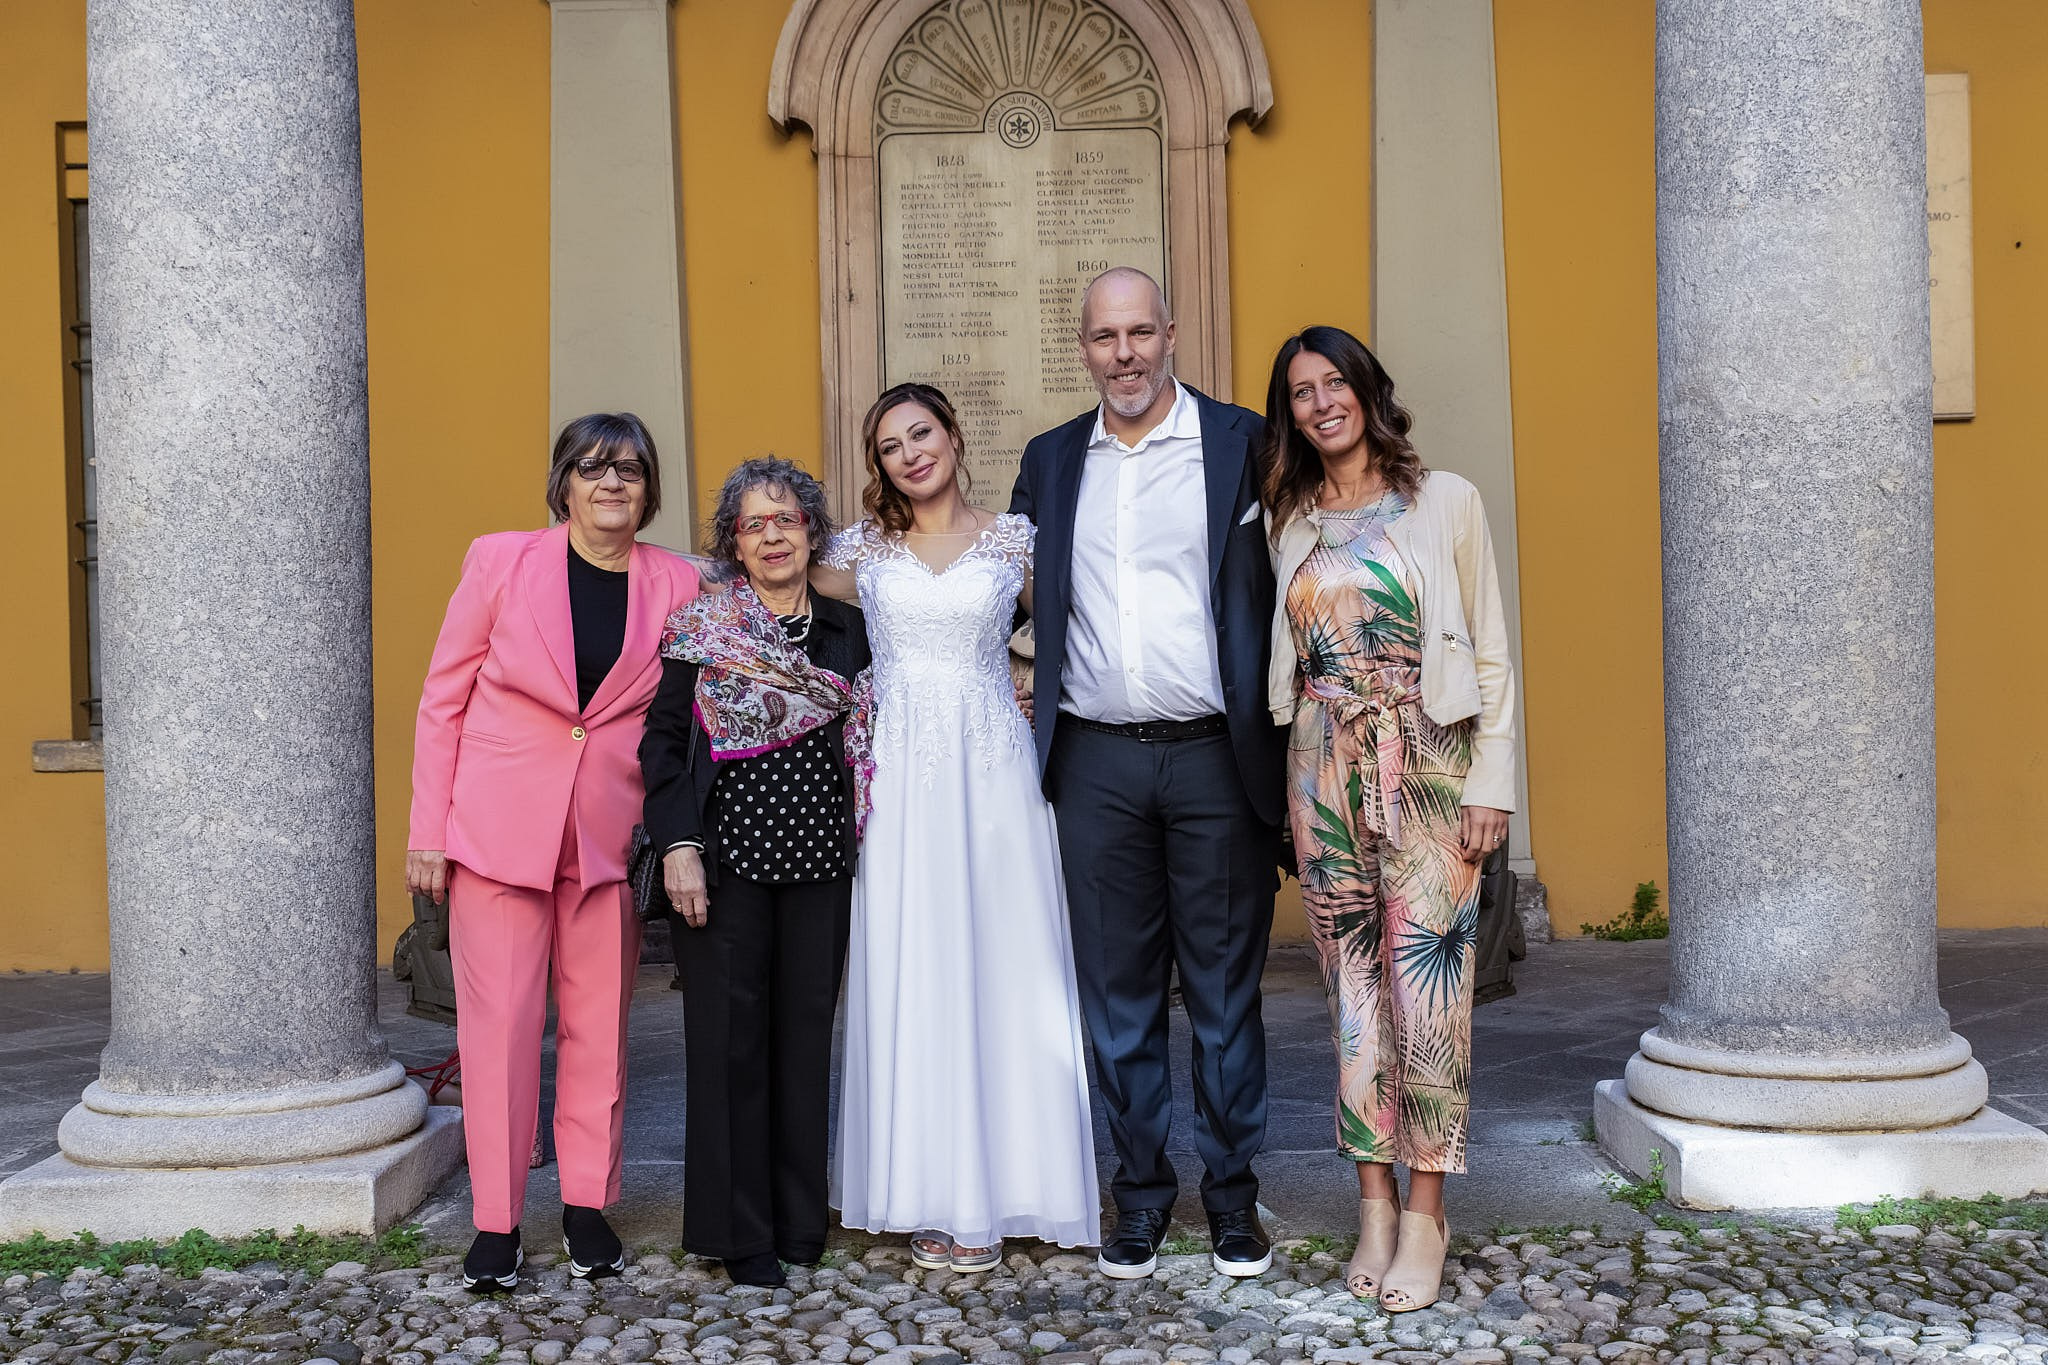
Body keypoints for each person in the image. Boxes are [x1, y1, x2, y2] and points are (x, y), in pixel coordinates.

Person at [1009, 268, 1284, 1279]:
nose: (1122, 353)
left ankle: (1229, 1196)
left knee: (1221, 994)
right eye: (1102, 337)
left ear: (1170, 334)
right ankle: (1137, 1194)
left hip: (1217, 756)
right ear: (1080, 348)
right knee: (1115, 997)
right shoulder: (1046, 463)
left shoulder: (1242, 445)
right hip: (1094, 766)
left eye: (1138, 333)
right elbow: (1003, 600)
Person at [407, 413, 702, 1290]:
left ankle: (585, 1205)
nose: (612, 482)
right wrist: (428, 829)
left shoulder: (678, 583)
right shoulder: (500, 561)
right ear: (563, 482)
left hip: (606, 841)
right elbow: (443, 698)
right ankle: (495, 1220)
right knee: (495, 1033)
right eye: (592, 466)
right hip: (495, 835)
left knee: (597, 1030)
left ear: (649, 491)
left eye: (630, 470)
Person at [816, 382, 1099, 1273]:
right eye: (891, 445)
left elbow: (1082, 630)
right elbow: (769, 576)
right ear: (880, 466)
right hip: (901, 780)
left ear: (953, 435)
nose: (910, 453)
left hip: (994, 775)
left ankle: (1017, 1183)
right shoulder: (860, 551)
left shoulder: (1017, 543)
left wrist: (1033, 685)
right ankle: (927, 1184)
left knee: (1006, 962)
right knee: (916, 962)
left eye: (921, 433)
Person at [1261, 326, 1516, 1312]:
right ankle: (1370, 1202)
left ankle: (1425, 1212)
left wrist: (1492, 782)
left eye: (1334, 382)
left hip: (1427, 759)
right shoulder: (1287, 519)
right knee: (1351, 998)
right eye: (1299, 391)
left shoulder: (1443, 500)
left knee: (1429, 994)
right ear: (1288, 413)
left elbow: (1488, 652)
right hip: (1320, 761)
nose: (1320, 401)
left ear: (1367, 390)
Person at [638, 458, 869, 1288]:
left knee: (805, 1040)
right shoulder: (704, 631)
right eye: (754, 524)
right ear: (733, 543)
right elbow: (663, 746)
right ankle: (741, 1234)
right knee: (730, 1045)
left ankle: (800, 1220)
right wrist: (679, 847)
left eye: (787, 519)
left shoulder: (849, 629)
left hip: (821, 864)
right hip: (724, 865)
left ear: (811, 530)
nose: (773, 536)